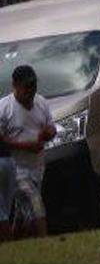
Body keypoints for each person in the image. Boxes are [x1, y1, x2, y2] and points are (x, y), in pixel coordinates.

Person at [0, 66, 56, 238]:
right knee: (35, 202)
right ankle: (45, 242)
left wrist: (48, 134)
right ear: (15, 86)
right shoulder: (4, 108)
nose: (31, 91)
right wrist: (26, 146)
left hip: (37, 166)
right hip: (15, 168)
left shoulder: (41, 103)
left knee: (23, 213)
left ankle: (16, 240)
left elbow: (52, 128)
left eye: (33, 86)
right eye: (26, 87)